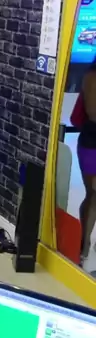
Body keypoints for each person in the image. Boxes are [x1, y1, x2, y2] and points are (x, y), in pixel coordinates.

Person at [72, 58, 96, 265]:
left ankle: (85, 243)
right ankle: (84, 243)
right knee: (93, 194)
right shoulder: (92, 76)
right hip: (92, 141)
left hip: (89, 140)